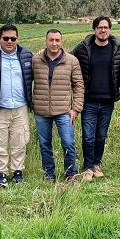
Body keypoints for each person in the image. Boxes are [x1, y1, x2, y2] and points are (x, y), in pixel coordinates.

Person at [72, 15, 120, 180]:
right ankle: (88, 167)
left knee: (101, 135)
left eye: (106, 27)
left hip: (107, 101)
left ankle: (96, 164)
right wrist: (43, 53)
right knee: (88, 135)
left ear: (109, 30)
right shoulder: (83, 48)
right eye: (99, 27)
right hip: (89, 100)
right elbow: (66, 58)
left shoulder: (118, 48)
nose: (103, 30)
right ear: (94, 30)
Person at [0, 24, 34, 188]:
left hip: (21, 107)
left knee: (20, 141)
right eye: (6, 38)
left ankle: (18, 173)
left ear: (18, 39)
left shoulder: (26, 55)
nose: (9, 41)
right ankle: (1, 174)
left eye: (13, 38)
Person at [31, 29, 84, 182]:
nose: (54, 43)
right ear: (46, 41)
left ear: (62, 42)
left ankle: (71, 174)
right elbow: (28, 82)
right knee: (44, 144)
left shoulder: (72, 60)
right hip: (41, 111)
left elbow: (79, 85)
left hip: (64, 111)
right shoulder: (36, 60)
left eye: (57, 40)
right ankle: (49, 175)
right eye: (51, 40)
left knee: (68, 143)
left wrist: (76, 108)